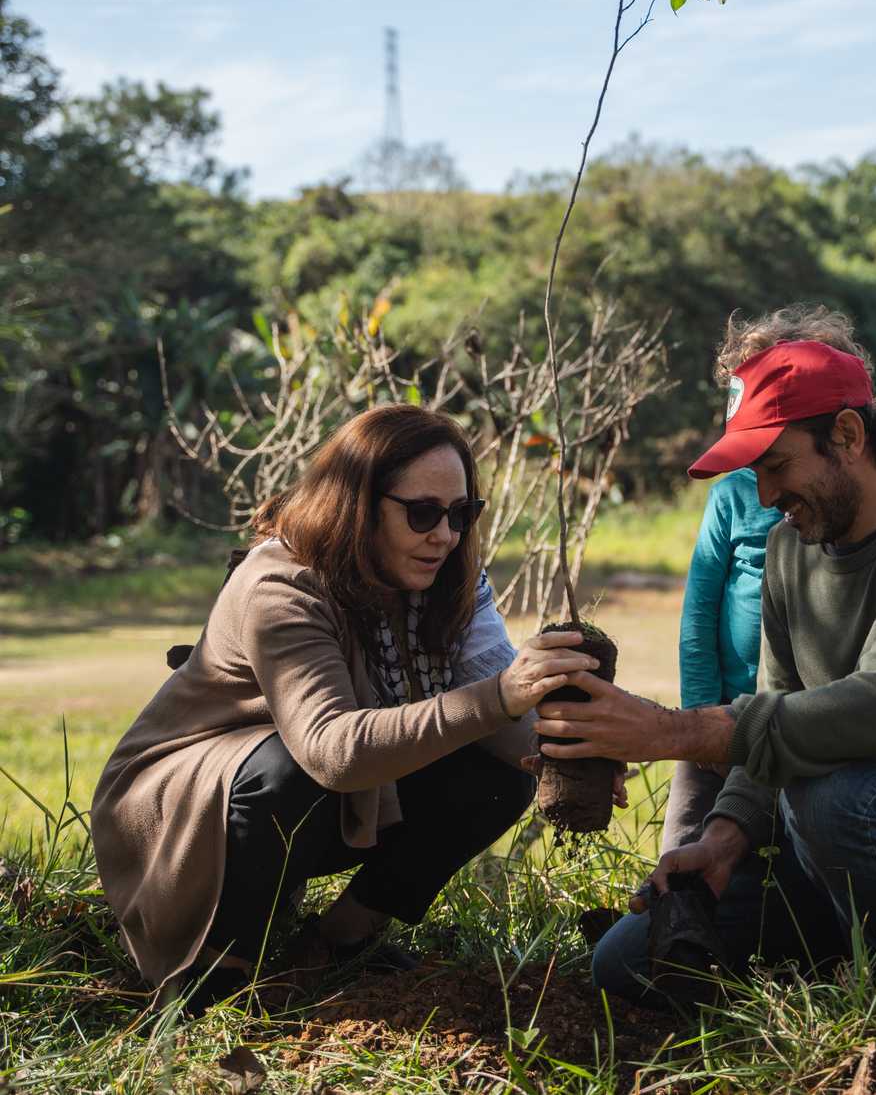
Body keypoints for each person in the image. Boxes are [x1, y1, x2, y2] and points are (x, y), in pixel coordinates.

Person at [531, 318, 876, 1003]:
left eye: (776, 465)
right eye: (755, 474)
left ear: (846, 434)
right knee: (627, 961)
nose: (764, 496)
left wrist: (669, 731)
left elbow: (874, 713)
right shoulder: (790, 550)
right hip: (837, 840)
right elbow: (777, 705)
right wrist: (722, 840)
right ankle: (845, 947)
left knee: (834, 788)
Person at [91, 404, 605, 1013]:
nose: (445, 535)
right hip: (187, 805)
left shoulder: (449, 579)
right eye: (421, 513)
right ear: (359, 504)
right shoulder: (282, 585)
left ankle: (338, 942)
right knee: (286, 772)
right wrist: (498, 698)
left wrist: (575, 758)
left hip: (324, 792)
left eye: (462, 513)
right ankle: (218, 976)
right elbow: (333, 752)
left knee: (496, 780)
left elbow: (501, 722)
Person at [664, 307, 870, 852]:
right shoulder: (732, 496)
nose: (765, 493)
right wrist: (698, 713)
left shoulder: (843, 508)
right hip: (721, 716)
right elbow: (700, 611)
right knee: (687, 840)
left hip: (799, 726)